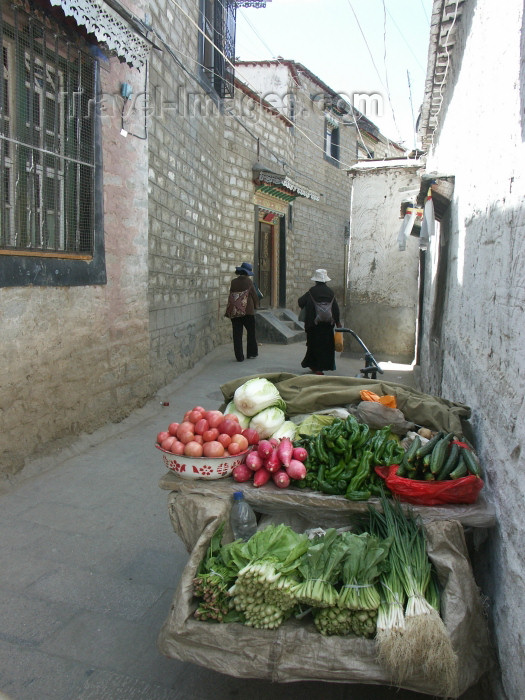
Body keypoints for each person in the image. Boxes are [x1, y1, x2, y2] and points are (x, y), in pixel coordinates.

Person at [298, 268, 341, 375]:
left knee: (313, 345)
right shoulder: (330, 292)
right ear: (326, 280)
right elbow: (335, 308)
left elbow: (300, 301)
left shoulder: (312, 291)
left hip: (313, 325)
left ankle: (316, 367)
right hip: (327, 325)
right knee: (326, 347)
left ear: (316, 280)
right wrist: (338, 322)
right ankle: (320, 367)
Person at [228, 262, 260, 362]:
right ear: (247, 273)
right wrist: (256, 305)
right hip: (248, 312)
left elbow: (231, 294)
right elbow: (254, 295)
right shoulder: (249, 282)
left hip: (235, 311)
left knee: (237, 334)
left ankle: (239, 356)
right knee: (251, 333)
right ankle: (251, 353)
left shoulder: (233, 282)